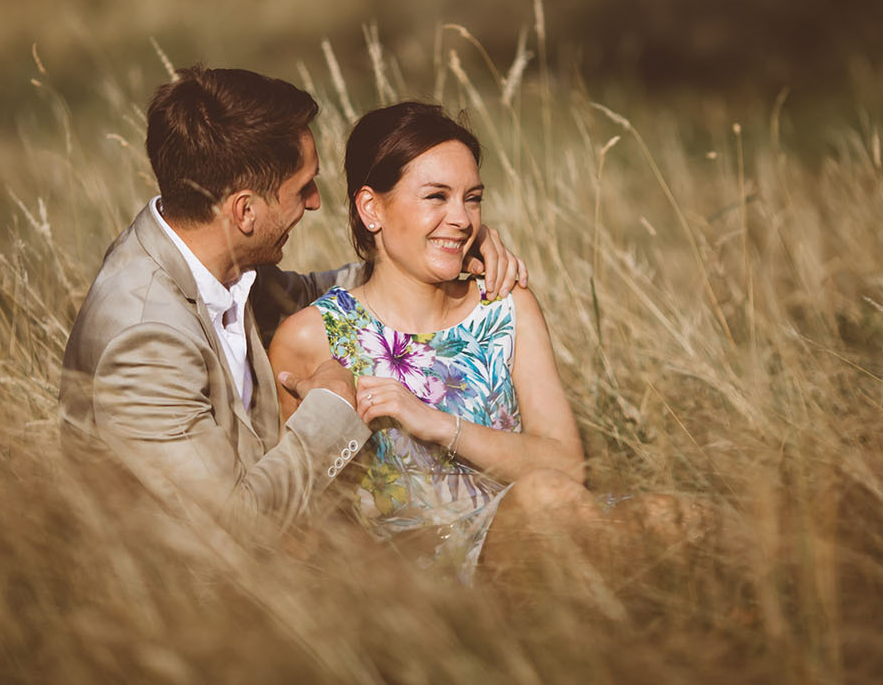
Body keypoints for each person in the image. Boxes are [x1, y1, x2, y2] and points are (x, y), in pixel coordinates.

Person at [59, 67, 526, 539]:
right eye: (302, 187)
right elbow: (238, 524)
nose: (316, 202)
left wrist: (451, 242)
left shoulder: (212, 261)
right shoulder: (142, 339)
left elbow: (326, 293)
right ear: (244, 211)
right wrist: (332, 405)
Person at [269, 101, 605, 580]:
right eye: (436, 197)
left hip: (551, 535)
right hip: (424, 583)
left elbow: (568, 467)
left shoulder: (504, 305)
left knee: (683, 520)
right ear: (371, 208)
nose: (463, 219)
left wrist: (436, 423)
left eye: (472, 198)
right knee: (547, 504)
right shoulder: (312, 336)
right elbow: (310, 515)